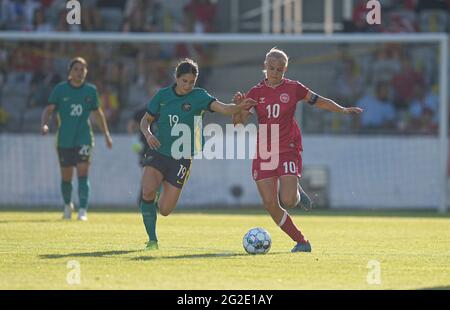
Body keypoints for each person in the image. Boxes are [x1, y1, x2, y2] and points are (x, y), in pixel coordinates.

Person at [232, 48, 363, 253]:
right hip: (264, 152)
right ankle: (302, 242)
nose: (275, 73)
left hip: (287, 148)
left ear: (286, 69)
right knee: (270, 204)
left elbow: (319, 101)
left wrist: (342, 109)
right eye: (272, 68)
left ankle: (296, 193)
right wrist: (238, 107)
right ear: (265, 67)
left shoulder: (294, 88)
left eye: (280, 69)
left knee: (288, 200)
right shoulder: (255, 93)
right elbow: (238, 123)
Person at [139, 58, 256, 250]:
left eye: (191, 82)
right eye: (184, 81)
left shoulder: (199, 96)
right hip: (158, 151)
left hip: (183, 157)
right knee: (147, 190)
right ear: (176, 78)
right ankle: (152, 240)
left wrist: (240, 106)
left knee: (165, 209)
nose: (187, 85)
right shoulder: (162, 96)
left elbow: (225, 109)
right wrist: (148, 134)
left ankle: (156, 196)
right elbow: (146, 120)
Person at [40, 57, 113, 221]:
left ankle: (82, 210)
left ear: (86, 72)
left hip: (84, 138)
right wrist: (45, 124)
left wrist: (107, 134)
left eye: (82, 69)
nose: (79, 72)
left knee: (82, 172)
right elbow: (49, 109)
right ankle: (67, 206)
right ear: (70, 72)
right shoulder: (60, 90)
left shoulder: (90, 90)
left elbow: (98, 114)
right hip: (65, 139)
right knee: (66, 176)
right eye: (76, 69)